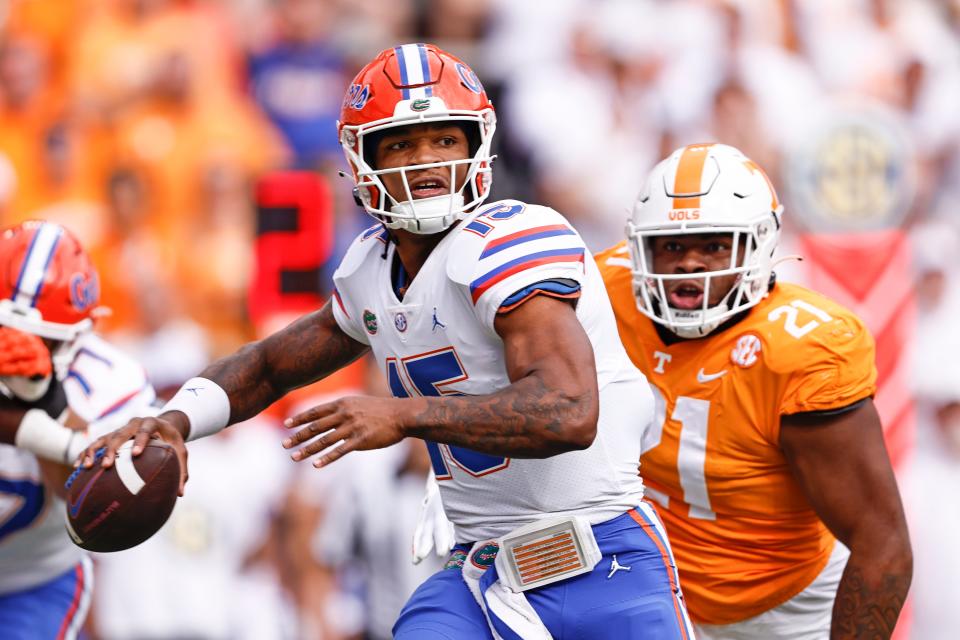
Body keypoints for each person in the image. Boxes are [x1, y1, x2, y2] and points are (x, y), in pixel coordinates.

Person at [81, 43, 695, 639]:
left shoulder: (511, 240)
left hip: (603, 556)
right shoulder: (370, 269)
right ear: (361, 160)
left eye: (444, 139)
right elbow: (270, 366)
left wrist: (403, 416)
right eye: (400, 143)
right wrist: (174, 421)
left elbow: (568, 412)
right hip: (482, 574)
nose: (426, 159)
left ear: (477, 144)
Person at [594, 143, 912, 639]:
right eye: (671, 246)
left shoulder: (802, 349)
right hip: (652, 587)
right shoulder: (603, 290)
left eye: (715, 245)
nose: (689, 265)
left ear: (758, 246)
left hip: (785, 608)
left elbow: (882, 542)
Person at [0, 220, 156, 639]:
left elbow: (89, 503)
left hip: (32, 581)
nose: (16, 351)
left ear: (79, 334)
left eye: (40, 340)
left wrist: (46, 402)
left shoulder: (113, 383)